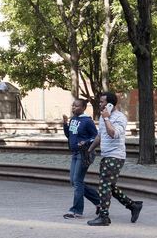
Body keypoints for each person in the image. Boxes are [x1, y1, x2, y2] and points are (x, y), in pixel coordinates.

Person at [86, 91, 143, 227]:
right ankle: (133, 205)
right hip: (106, 155)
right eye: (99, 102)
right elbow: (100, 136)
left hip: (116, 156)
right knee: (109, 186)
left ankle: (104, 216)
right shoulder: (102, 117)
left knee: (104, 185)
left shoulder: (120, 118)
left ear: (110, 104)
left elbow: (113, 134)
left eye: (102, 102)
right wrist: (90, 149)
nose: (100, 104)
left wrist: (106, 119)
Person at [61, 98, 100, 219]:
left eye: (76, 106)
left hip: (84, 154)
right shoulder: (73, 119)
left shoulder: (87, 121)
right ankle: (99, 201)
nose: (73, 108)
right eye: (73, 105)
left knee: (77, 181)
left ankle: (76, 211)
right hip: (75, 153)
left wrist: (85, 142)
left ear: (83, 108)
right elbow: (69, 135)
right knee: (74, 181)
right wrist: (65, 124)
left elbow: (96, 137)